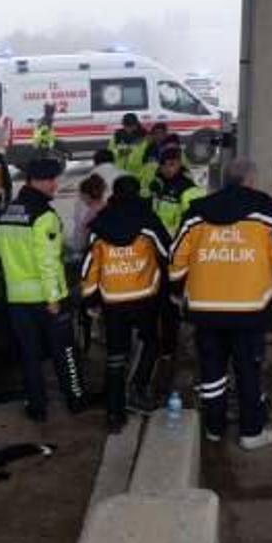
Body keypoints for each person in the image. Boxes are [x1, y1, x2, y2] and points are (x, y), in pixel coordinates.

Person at [168, 158, 272, 450]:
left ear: (224, 180)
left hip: (204, 310)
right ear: (251, 181)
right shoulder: (266, 212)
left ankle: (214, 428)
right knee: (248, 370)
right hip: (250, 311)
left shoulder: (196, 213)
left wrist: (177, 290)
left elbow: (176, 258)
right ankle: (251, 433)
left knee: (212, 371)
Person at [0, 158, 88, 422]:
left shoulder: (6, 212)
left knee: (29, 355)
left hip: (17, 298)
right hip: (47, 299)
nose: (55, 185)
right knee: (65, 351)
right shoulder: (44, 216)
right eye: (52, 180)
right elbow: (48, 261)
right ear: (40, 181)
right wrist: (54, 298)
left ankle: (37, 407)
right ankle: (75, 399)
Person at [81, 175, 171, 431]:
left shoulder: (100, 225)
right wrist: (171, 286)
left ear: (114, 193)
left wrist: (90, 299)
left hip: (113, 299)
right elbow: (167, 253)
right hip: (145, 296)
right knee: (150, 343)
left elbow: (89, 267)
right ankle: (138, 389)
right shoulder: (148, 221)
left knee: (115, 353)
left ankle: (114, 413)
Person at [149, 145, 206, 364]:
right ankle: (168, 348)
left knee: (178, 303)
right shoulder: (159, 185)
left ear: (179, 164)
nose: (169, 168)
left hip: (179, 254)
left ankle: (188, 347)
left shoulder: (188, 190)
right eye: (165, 165)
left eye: (173, 164)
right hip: (161, 252)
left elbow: (193, 225)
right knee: (165, 303)